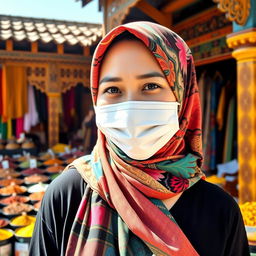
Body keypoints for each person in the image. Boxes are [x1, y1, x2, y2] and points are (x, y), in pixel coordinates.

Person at [29, 21, 250, 256]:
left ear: (183, 96)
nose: (128, 109)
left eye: (151, 85)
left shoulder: (220, 211)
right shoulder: (66, 195)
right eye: (113, 89)